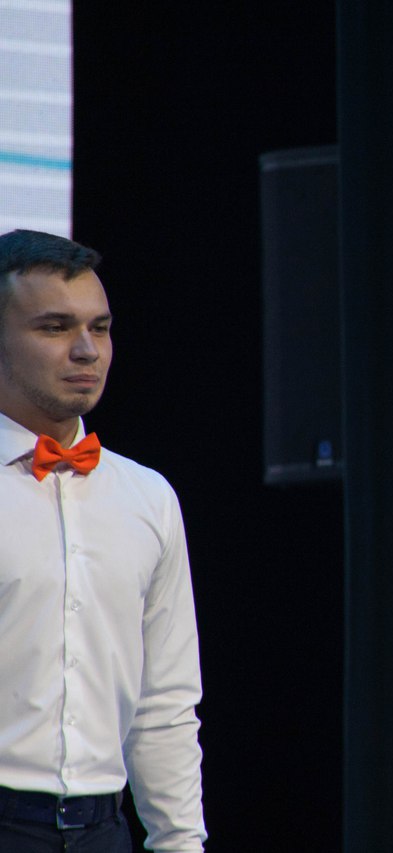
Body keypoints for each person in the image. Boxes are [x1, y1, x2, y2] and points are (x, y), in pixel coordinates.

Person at [0, 230, 206, 852]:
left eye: (101, 327)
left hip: (103, 830)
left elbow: (164, 703)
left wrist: (180, 843)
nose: (87, 350)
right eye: (55, 327)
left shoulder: (147, 497)